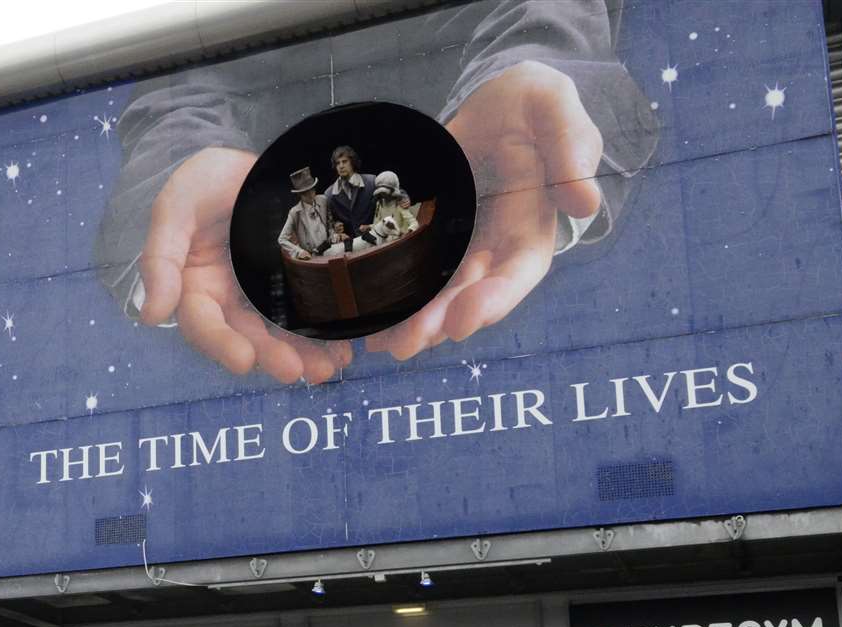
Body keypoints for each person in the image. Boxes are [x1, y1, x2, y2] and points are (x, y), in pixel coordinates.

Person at [92, 0, 658, 383]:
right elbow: (183, 64)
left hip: (482, 265)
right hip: (288, 275)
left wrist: (533, 63)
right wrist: (182, 158)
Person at [323, 146, 376, 245]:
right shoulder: (329, 194)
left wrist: (403, 198)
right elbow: (329, 221)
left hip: (375, 239)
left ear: (352, 162)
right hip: (351, 247)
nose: (341, 166)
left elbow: (393, 189)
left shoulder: (371, 182)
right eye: (338, 163)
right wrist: (335, 226)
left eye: (344, 161)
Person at [276, 167, 332, 260]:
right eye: (305, 193)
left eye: (311, 190)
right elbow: (282, 239)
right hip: (312, 256)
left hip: (330, 250)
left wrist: (333, 234)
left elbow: (330, 223)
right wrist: (299, 251)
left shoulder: (323, 200)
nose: (310, 194)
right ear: (300, 194)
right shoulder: (295, 212)